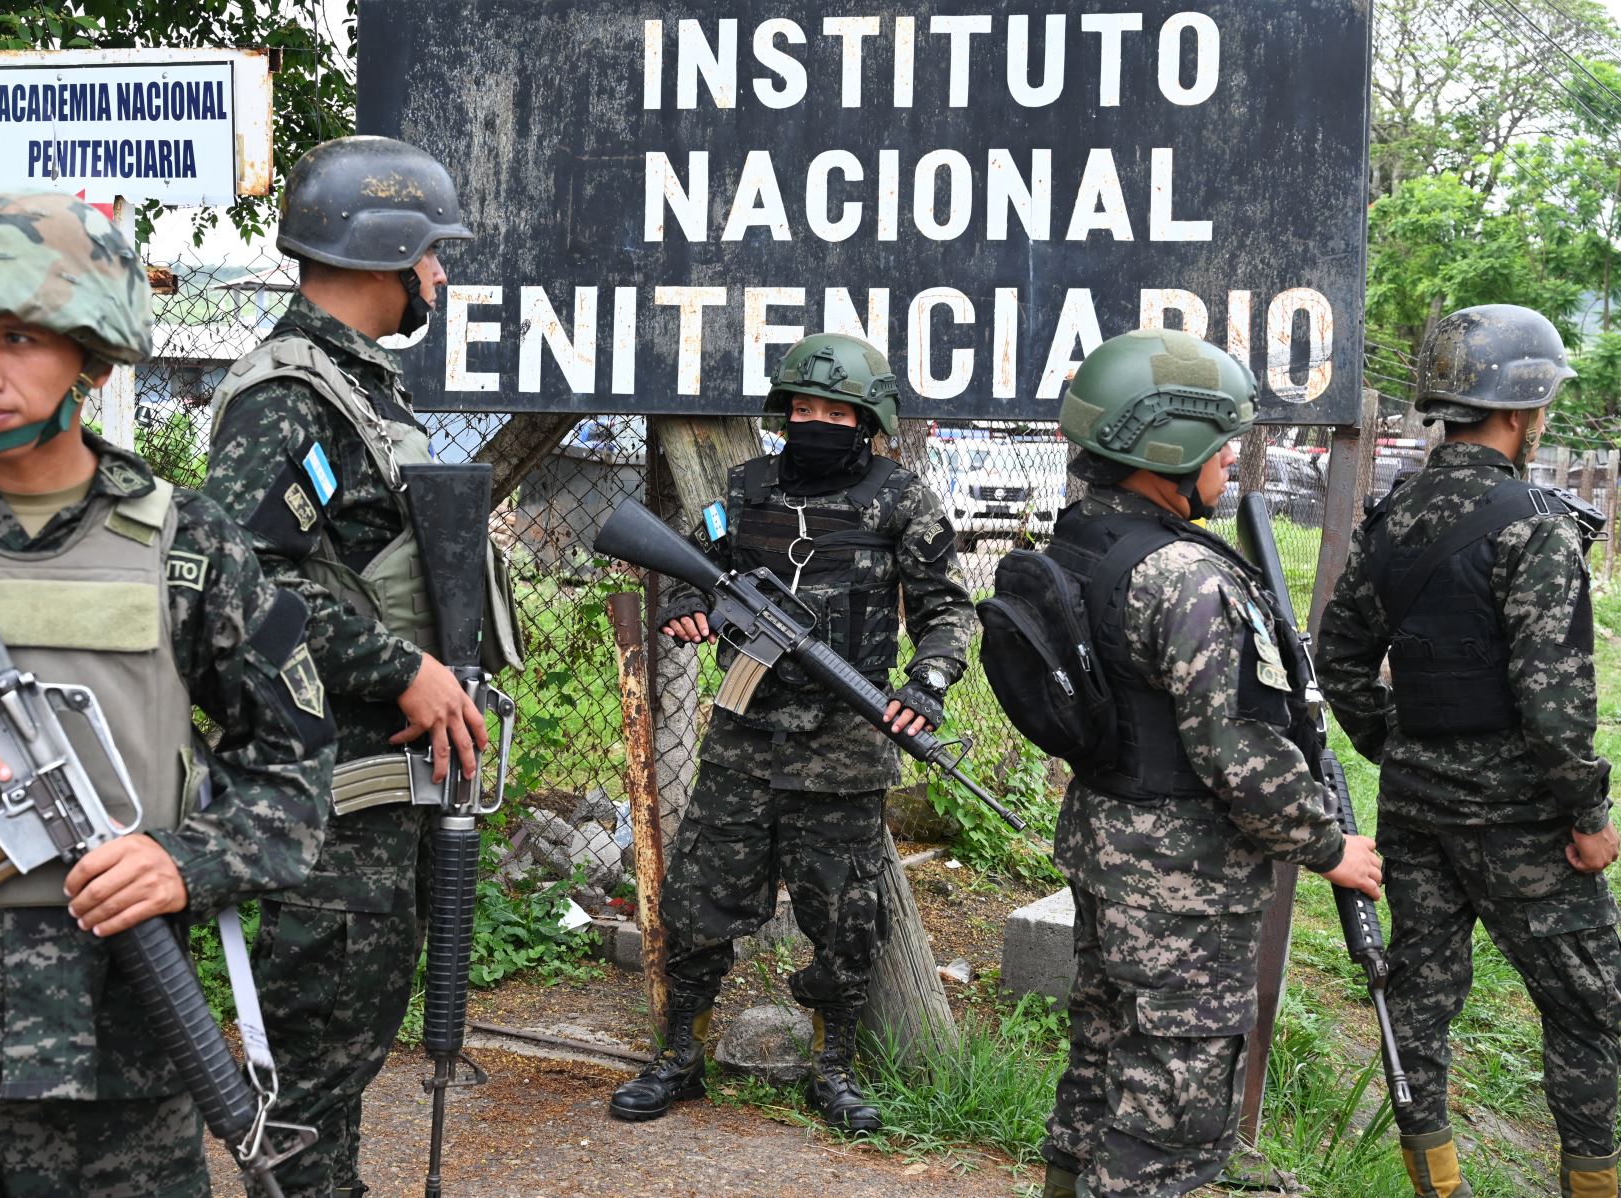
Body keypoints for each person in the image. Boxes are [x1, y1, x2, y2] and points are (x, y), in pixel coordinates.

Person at [0, 189, 332, 1197]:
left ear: (94, 356)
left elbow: (296, 770)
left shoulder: (191, 545)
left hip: (123, 1071)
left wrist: (188, 861)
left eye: (19, 337)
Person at [202, 135, 519, 1198]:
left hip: (375, 802)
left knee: (337, 1079)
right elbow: (239, 581)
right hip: (326, 812)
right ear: (386, 254)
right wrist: (400, 668)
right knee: (307, 1099)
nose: (438, 275)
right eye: (430, 254)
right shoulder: (290, 398)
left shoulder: (352, 393)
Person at [1037, 328, 1383, 1197]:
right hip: (1182, 881)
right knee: (1174, 1120)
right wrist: (1327, 844)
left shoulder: (1082, 539)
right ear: (1169, 446)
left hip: (1105, 849)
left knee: (1101, 1065)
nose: (1234, 457)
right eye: (1222, 440)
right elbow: (1239, 751)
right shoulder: (1185, 574)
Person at [606, 332, 976, 1133]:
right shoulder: (745, 489)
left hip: (846, 748)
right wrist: (691, 613)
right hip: (744, 740)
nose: (812, 421)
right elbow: (697, 571)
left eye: (832, 410)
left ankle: (832, 1067)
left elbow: (948, 609)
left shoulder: (901, 499)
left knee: (846, 924)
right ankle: (680, 1056)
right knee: (697, 906)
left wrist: (929, 681)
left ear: (866, 419)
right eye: (800, 408)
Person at [1318, 304, 1620, 1198]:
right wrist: (1591, 819)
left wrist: (1402, 747)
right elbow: (1557, 702)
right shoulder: (1535, 525)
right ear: (1524, 411)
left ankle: (1437, 1189)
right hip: (1527, 822)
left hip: (1417, 811)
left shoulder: (1392, 517)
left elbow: (1336, 660)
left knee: (1416, 1002)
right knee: (1590, 1006)